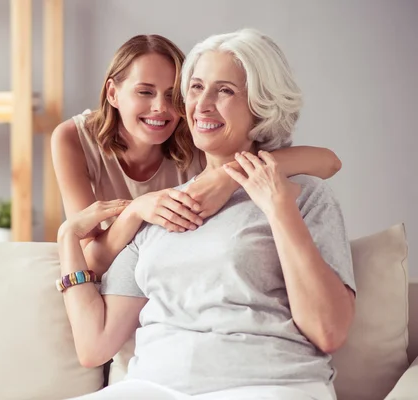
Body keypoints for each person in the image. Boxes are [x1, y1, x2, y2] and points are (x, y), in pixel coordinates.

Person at [56, 28, 356, 400]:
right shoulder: (161, 208)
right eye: (196, 88)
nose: (203, 104)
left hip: (266, 385)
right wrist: (68, 236)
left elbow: (329, 331)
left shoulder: (303, 196)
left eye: (225, 90)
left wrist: (278, 209)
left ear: (262, 105)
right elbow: (94, 345)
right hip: (152, 387)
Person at [51, 34, 343, 278]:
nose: (160, 108)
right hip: (125, 275)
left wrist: (229, 179)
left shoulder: (196, 135)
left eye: (171, 95)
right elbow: (88, 261)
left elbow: (328, 161)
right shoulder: (73, 139)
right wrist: (136, 210)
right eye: (145, 92)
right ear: (113, 93)